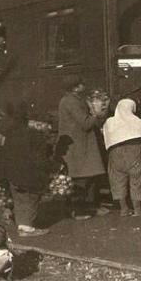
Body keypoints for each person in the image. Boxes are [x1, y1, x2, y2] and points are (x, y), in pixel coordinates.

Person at [0, 102, 50, 237]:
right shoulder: (34, 135)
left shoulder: (8, 132)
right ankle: (26, 228)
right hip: (27, 175)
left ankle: (20, 223)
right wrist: (51, 168)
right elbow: (39, 159)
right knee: (30, 198)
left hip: (12, 173)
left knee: (19, 198)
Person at [57, 75, 108, 220]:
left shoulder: (71, 99)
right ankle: (77, 210)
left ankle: (88, 207)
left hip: (80, 145)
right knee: (81, 180)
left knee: (87, 178)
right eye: (81, 84)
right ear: (76, 87)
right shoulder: (71, 102)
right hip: (78, 147)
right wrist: (98, 113)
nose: (84, 85)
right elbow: (85, 123)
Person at [102, 99, 141, 217]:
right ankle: (137, 209)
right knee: (138, 179)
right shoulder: (138, 121)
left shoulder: (109, 122)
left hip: (115, 152)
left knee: (117, 180)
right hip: (135, 150)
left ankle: (124, 209)